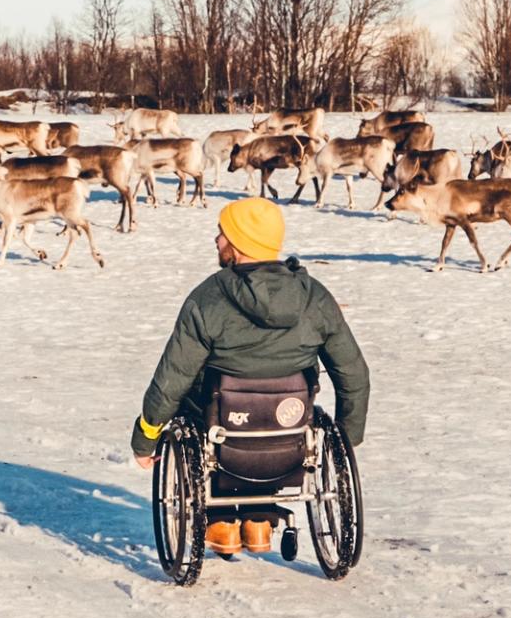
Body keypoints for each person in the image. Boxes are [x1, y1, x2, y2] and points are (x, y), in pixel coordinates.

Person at [129, 197, 372, 556]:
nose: (216, 240)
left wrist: (146, 436)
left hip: (222, 431)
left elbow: (172, 377)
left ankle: (224, 523)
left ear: (239, 245)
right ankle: (259, 520)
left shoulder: (209, 297)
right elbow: (354, 373)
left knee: (192, 400)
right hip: (289, 432)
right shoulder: (315, 298)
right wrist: (348, 436)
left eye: (222, 234)